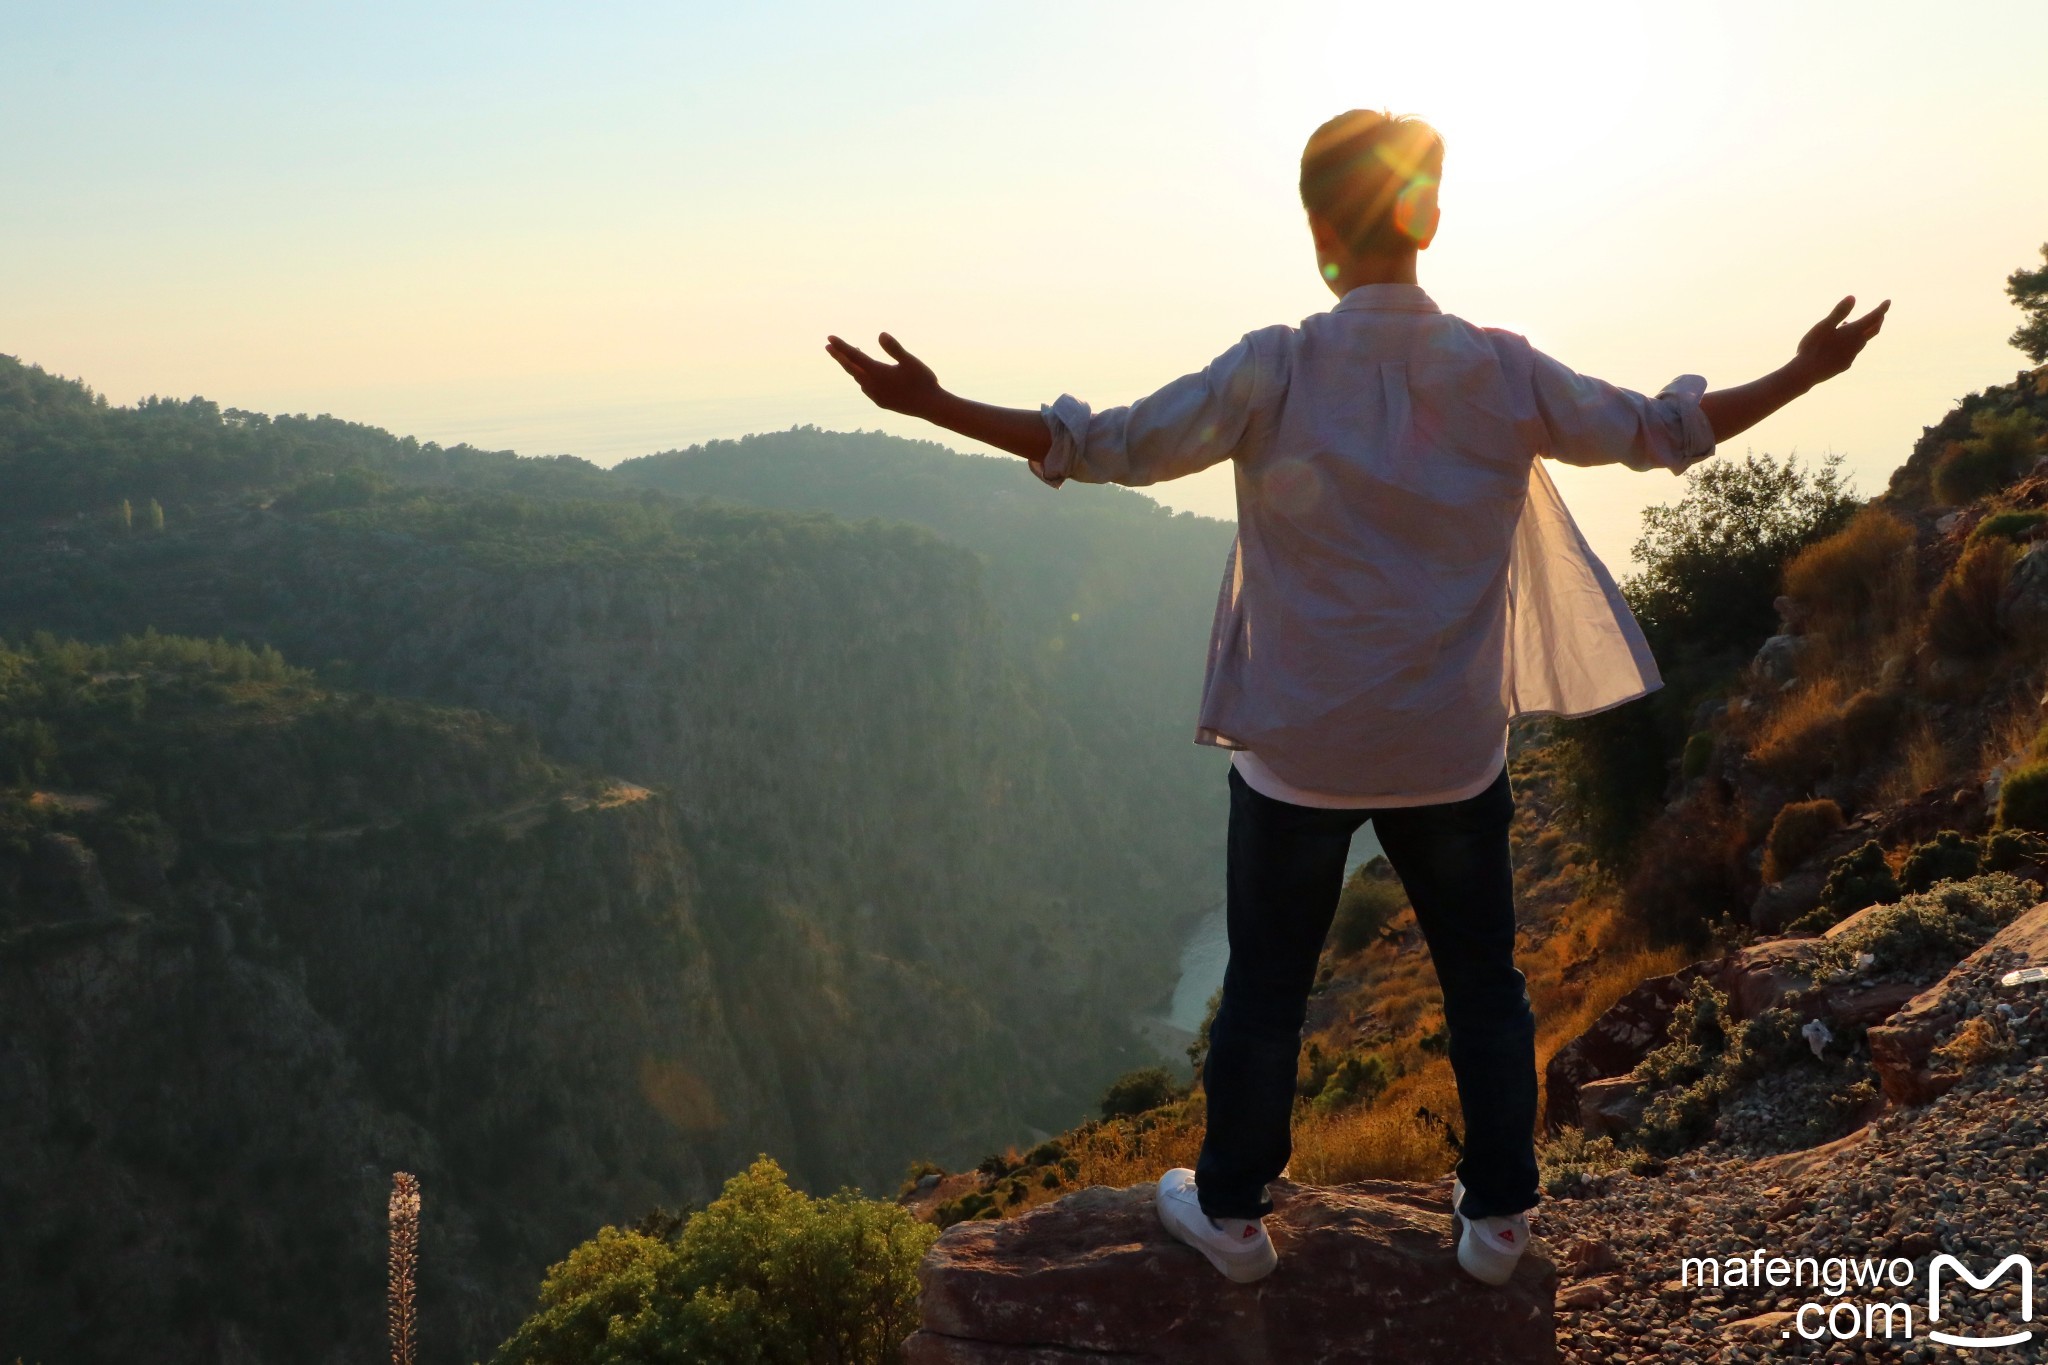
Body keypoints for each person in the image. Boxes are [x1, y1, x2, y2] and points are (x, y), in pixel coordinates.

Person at [826, 109, 1887, 1288]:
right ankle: (1495, 1225)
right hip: (1449, 751)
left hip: (1296, 753)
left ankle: (1229, 1213)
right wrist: (1802, 370)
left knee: (1266, 992)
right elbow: (1661, 431)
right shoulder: (1499, 366)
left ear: (1314, 232)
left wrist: (932, 406)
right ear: (1428, 218)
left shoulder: (1273, 365)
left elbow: (1106, 444)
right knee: (1482, 981)